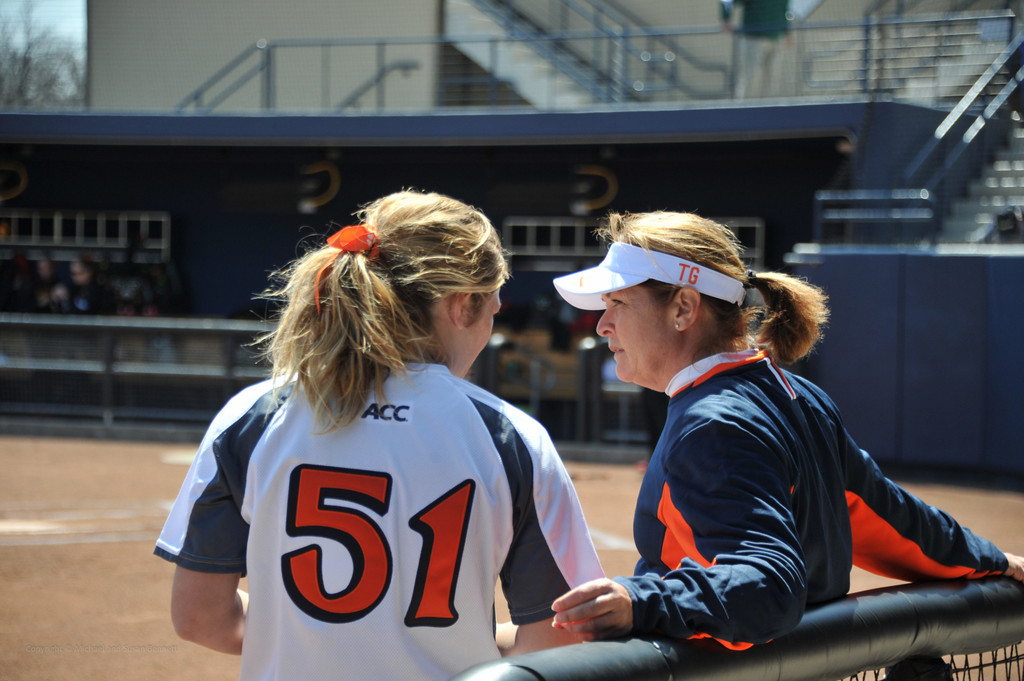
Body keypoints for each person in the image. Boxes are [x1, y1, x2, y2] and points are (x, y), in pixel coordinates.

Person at [154, 190, 604, 680]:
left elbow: (199, 617)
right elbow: (555, 639)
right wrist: (465, 641)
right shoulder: (510, 437)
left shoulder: (254, 415)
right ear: (461, 306)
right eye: (491, 310)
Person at [548, 210, 1024, 648]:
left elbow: (770, 584)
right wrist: (995, 560)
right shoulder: (796, 394)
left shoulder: (710, 424)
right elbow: (891, 518)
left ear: (683, 309)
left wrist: (642, 601)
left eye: (618, 303)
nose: (602, 325)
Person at [721, 0, 793, 99]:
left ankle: (768, 107)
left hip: (776, 37)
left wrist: (787, 32)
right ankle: (743, 106)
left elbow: (785, 10)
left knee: (772, 78)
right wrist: (725, 19)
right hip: (753, 37)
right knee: (750, 76)